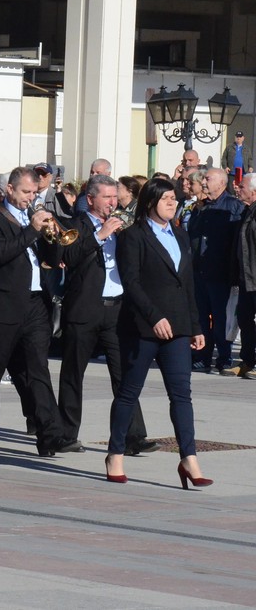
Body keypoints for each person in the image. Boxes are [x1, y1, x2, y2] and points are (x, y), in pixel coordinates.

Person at [0, 166, 79, 458]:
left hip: (34, 304)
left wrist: (52, 237)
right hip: (1, 305)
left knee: (37, 371)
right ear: (9, 191)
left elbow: (52, 260)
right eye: (26, 192)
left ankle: (50, 435)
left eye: (33, 192)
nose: (31, 198)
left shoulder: (33, 219)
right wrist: (32, 230)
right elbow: (0, 254)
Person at [107, 177, 212, 489]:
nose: (173, 203)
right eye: (166, 198)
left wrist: (195, 326)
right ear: (150, 202)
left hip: (178, 327)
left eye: (175, 198)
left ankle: (188, 458)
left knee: (181, 394)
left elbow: (187, 285)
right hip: (143, 327)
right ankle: (115, 454)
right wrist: (153, 316)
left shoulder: (180, 235)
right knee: (129, 391)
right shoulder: (133, 236)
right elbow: (131, 282)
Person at [53, 175, 157, 455]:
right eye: (107, 197)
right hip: (85, 308)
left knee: (125, 374)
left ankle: (133, 436)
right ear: (91, 199)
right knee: (73, 373)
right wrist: (100, 235)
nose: (113, 203)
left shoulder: (123, 227)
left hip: (117, 309)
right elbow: (70, 258)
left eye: (115, 197)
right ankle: (65, 434)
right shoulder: (75, 225)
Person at [186, 167, 244, 373]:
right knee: (202, 317)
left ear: (221, 182)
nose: (203, 182)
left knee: (221, 318)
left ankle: (224, 357)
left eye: (208, 179)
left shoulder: (233, 207)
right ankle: (203, 356)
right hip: (199, 272)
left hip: (220, 273)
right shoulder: (201, 207)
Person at [230, 173, 256, 377]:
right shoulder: (247, 211)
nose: (238, 188)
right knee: (245, 319)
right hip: (247, 278)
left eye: (242, 186)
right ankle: (247, 361)